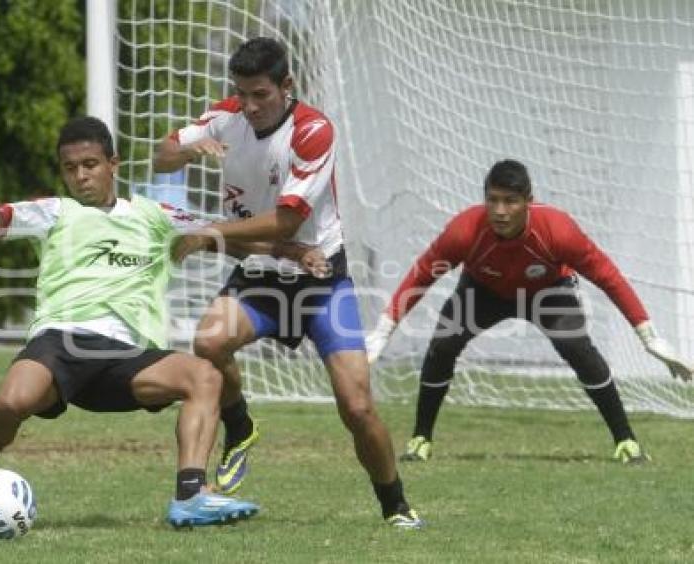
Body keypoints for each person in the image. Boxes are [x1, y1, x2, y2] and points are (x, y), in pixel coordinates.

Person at [0, 116, 276, 531]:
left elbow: (227, 236)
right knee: (7, 405)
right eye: (70, 168)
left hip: (126, 356)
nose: (80, 176)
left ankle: (190, 497)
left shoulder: (154, 215)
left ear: (113, 164)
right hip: (60, 343)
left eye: (89, 164)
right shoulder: (56, 211)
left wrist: (294, 247)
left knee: (204, 375)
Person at [153, 37, 423, 529]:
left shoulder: (314, 131)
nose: (250, 106)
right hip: (260, 276)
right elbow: (161, 156)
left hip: (319, 282)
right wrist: (187, 151)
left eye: (260, 95)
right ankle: (241, 428)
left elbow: (284, 221)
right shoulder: (226, 116)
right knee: (209, 341)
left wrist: (209, 232)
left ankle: (396, 505)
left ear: (286, 85)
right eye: (242, 94)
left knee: (358, 407)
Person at [366, 159, 694, 464]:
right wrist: (383, 331)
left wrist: (648, 337)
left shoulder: (558, 230)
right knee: (443, 344)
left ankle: (626, 442)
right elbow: (423, 274)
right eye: (492, 200)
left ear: (529, 201)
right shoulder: (465, 230)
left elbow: (608, 277)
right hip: (484, 289)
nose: (500, 211)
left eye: (510, 201)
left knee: (577, 348)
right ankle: (420, 440)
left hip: (548, 290)